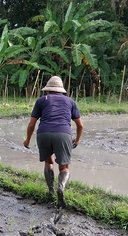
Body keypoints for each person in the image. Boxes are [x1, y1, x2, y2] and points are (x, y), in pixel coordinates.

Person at [23, 75, 83, 208]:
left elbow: (32, 124)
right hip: (63, 134)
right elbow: (80, 125)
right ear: (61, 90)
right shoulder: (70, 102)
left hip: (43, 133)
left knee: (48, 162)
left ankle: (50, 191)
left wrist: (27, 140)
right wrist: (77, 140)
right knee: (64, 167)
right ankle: (60, 187)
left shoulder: (41, 100)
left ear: (48, 90)